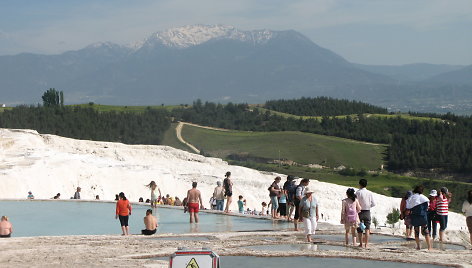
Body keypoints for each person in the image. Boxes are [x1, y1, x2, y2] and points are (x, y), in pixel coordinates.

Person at [406, 185, 432, 250]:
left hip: (414, 216)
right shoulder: (424, 198)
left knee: (416, 231)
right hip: (422, 216)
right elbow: (428, 206)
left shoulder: (412, 197)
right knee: (426, 231)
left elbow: (408, 206)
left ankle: (418, 246)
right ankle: (429, 247)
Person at [356, 179, 375, 248]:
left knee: (359, 228)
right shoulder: (370, 193)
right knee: (367, 228)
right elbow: (373, 204)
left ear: (360, 184)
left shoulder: (357, 193)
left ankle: (361, 244)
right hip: (367, 211)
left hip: (359, 212)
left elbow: (355, 203)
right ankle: (366, 244)